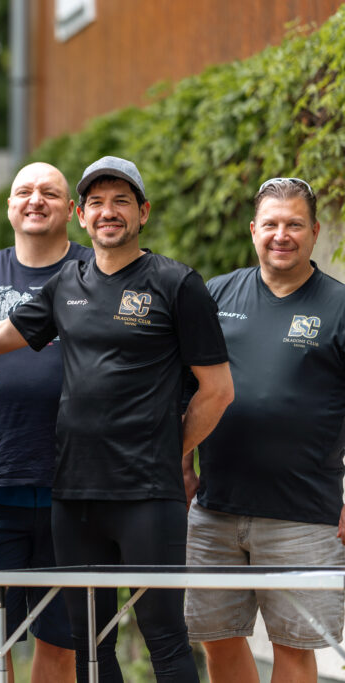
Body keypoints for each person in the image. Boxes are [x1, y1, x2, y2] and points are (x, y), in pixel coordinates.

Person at [0, 156, 234, 682]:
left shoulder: (177, 283)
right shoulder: (66, 283)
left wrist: (167, 451)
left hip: (148, 496)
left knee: (165, 637)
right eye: (96, 202)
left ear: (143, 212)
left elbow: (217, 392)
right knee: (91, 644)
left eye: (121, 201)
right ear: (81, 215)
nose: (108, 212)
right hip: (74, 495)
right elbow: (1, 336)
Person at [184, 177, 345, 683]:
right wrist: (182, 465)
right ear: (253, 230)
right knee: (217, 639)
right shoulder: (215, 294)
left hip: (305, 514)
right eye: (271, 224)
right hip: (216, 508)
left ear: (314, 231)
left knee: (294, 648)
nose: (282, 235)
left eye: (294, 224)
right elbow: (182, 387)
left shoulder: (339, 306)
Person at [0, 162, 85, 683]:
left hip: (76, 488)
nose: (35, 200)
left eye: (49, 193)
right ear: (10, 206)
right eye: (24, 191)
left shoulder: (94, 270)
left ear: (70, 210)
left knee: (63, 642)